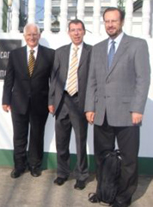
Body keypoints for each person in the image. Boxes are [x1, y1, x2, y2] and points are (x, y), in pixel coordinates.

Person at [85, 7, 150, 207]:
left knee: (128, 160)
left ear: (121, 22)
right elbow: (92, 81)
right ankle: (105, 192)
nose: (110, 24)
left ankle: (122, 197)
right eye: (107, 21)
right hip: (101, 113)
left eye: (114, 21)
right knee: (102, 157)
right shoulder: (97, 48)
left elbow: (143, 79)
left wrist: (138, 108)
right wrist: (89, 107)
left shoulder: (137, 45)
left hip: (128, 113)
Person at [2, 23, 55, 178]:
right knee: (19, 136)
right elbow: (9, 79)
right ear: (24, 36)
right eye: (29, 34)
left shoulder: (49, 54)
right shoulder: (15, 54)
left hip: (41, 103)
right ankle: (19, 166)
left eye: (35, 34)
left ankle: (34, 165)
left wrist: (52, 101)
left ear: (39, 36)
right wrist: (5, 99)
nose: (32, 37)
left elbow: (54, 81)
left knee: (37, 136)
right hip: (18, 102)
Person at [48, 19, 92, 190]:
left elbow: (94, 80)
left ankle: (82, 175)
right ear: (68, 32)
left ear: (84, 31)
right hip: (62, 101)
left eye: (79, 29)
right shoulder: (60, 52)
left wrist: (91, 105)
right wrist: (51, 101)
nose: (76, 33)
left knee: (81, 141)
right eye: (73, 30)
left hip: (81, 101)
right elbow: (53, 79)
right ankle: (62, 173)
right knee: (61, 140)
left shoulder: (92, 52)